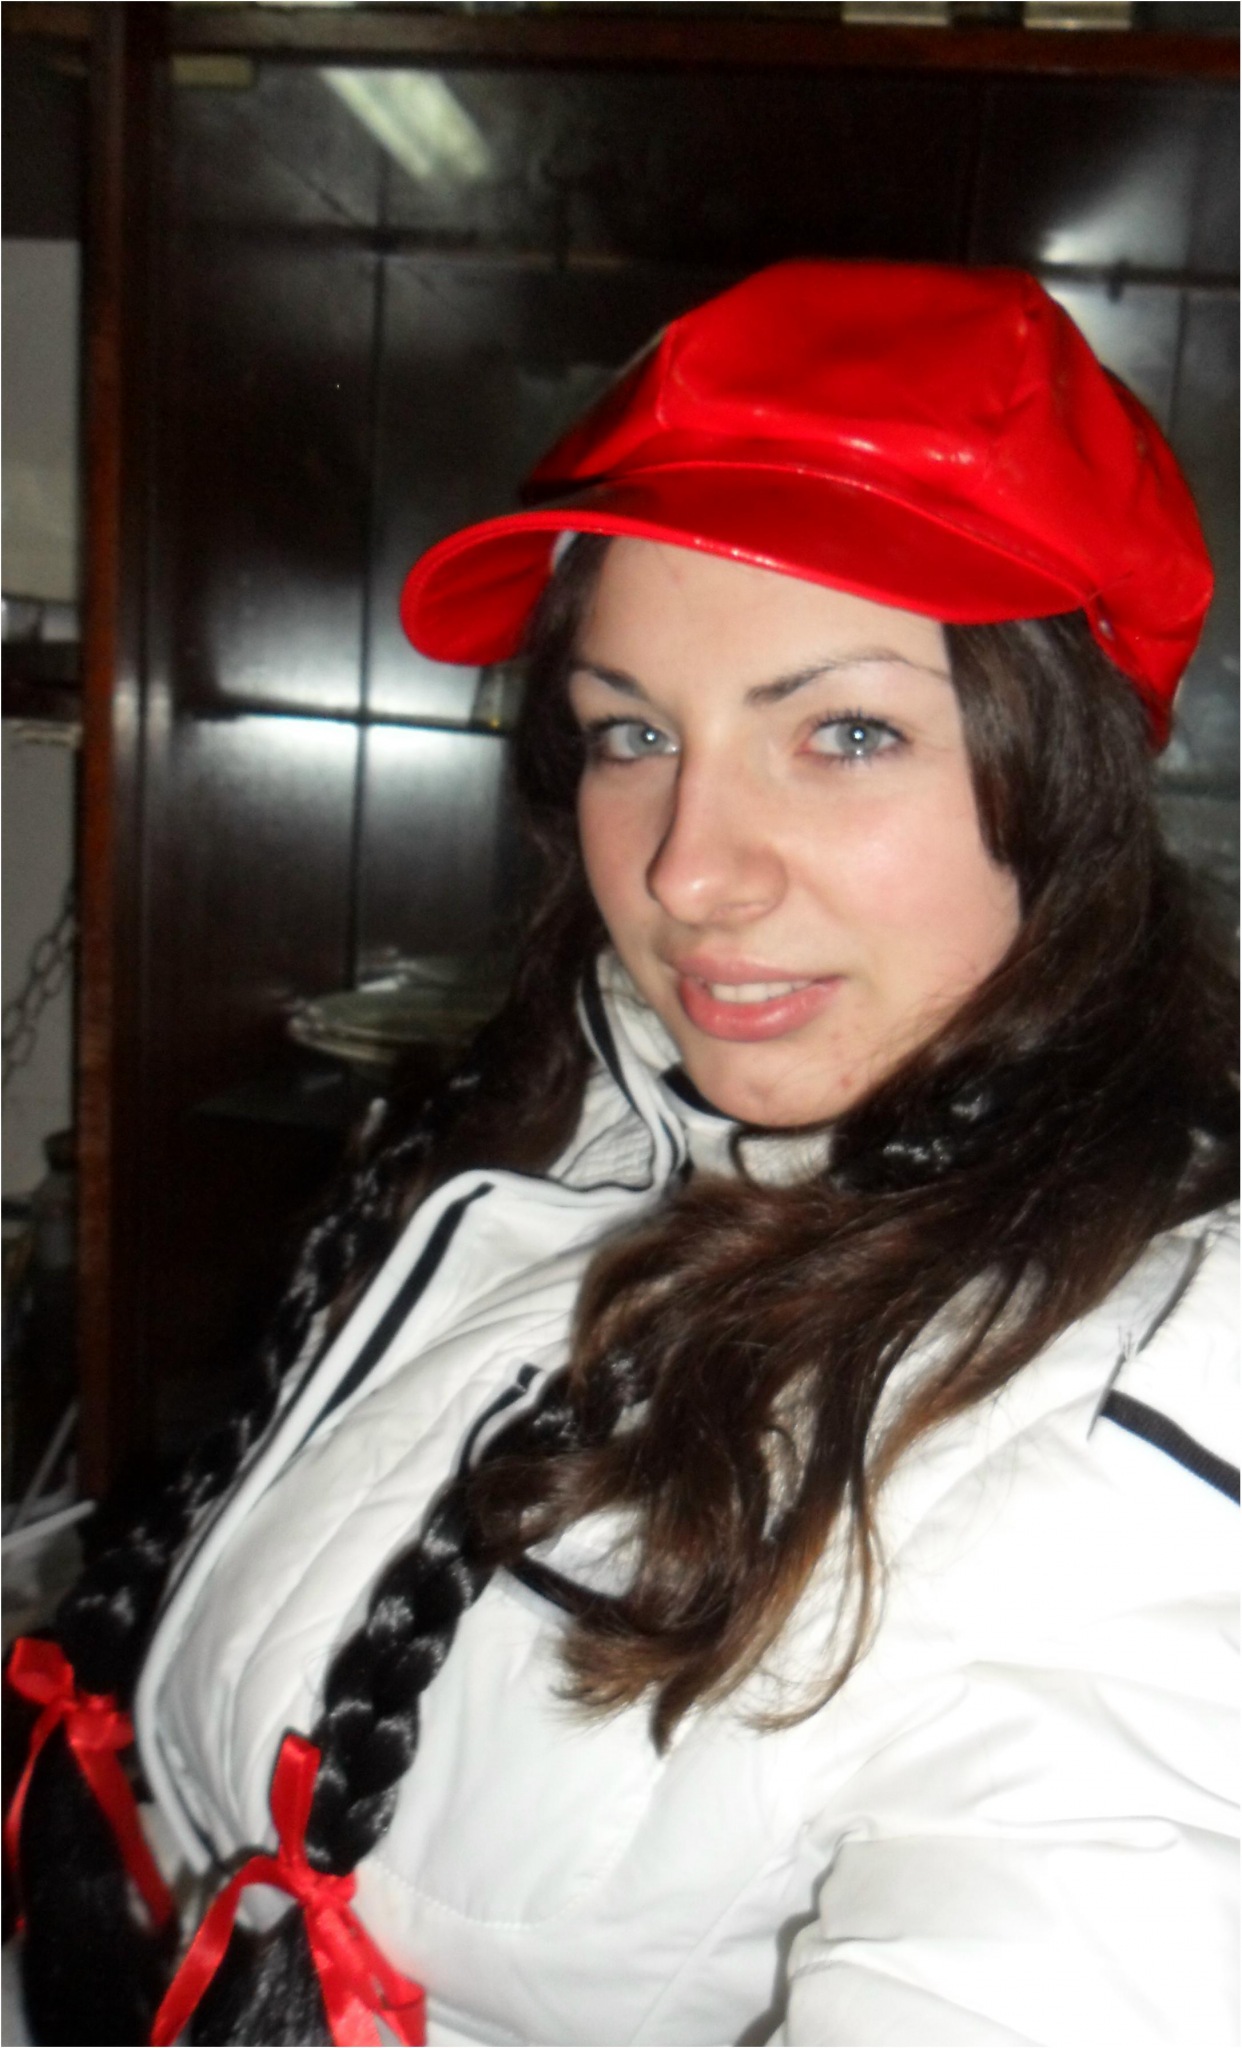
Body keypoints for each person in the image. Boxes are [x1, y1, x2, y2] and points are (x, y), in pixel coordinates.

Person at [7, 262, 1237, 2048]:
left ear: (1069, 779)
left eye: (845, 733)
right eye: (630, 733)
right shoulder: (566, 1135)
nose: (684, 868)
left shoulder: (1159, 1396)